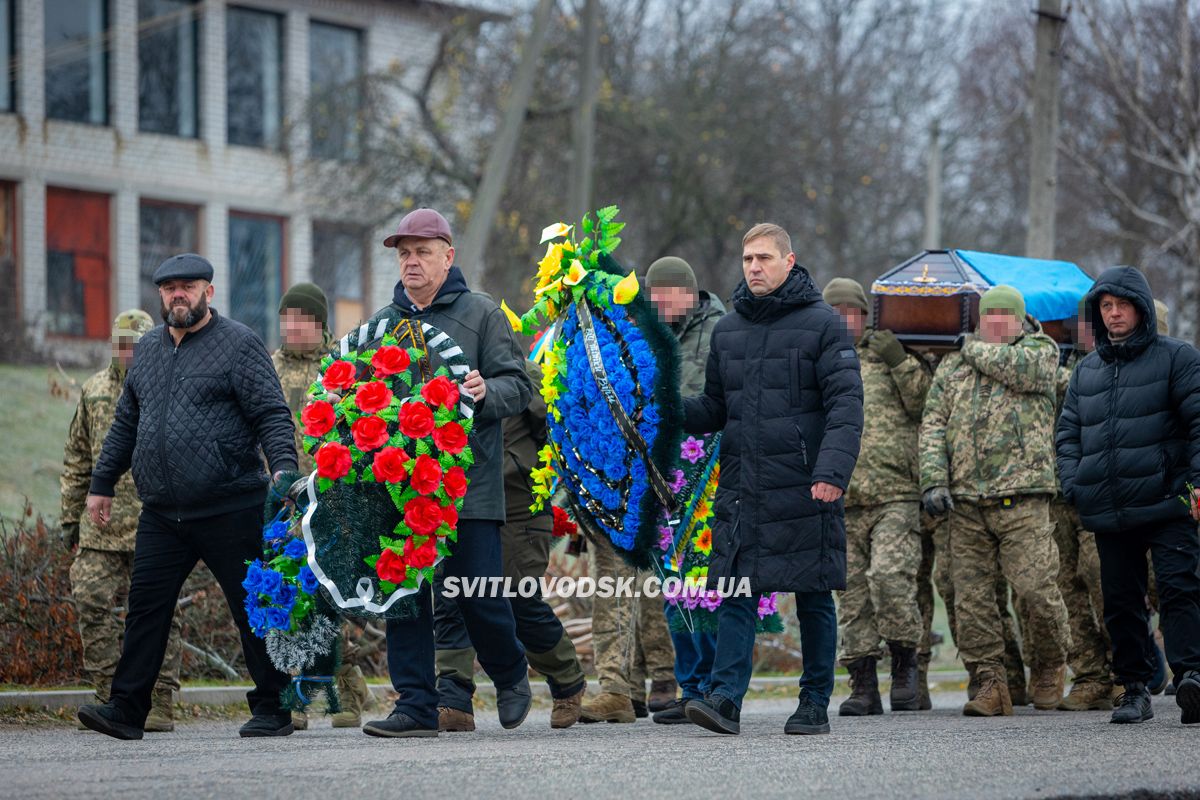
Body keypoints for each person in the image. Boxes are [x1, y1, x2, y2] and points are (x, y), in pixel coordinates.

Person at [77, 253, 298, 740]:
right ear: (159, 294)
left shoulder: (239, 345)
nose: (178, 295)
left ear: (208, 293)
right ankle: (127, 710)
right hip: (162, 511)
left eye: (188, 286)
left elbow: (271, 414)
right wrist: (101, 483)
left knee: (253, 608)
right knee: (146, 609)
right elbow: (126, 423)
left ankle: (274, 706)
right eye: (169, 287)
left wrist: (283, 468)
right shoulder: (148, 351)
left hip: (231, 504)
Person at [681, 223, 864, 735]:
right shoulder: (729, 330)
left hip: (807, 483)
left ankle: (813, 703)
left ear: (790, 261)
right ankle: (724, 700)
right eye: (747, 259)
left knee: (813, 594)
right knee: (737, 591)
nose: (754, 267)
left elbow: (846, 405)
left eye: (764, 258)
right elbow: (716, 408)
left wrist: (832, 471)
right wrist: (668, 411)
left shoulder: (824, 324)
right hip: (744, 487)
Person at [359, 208, 534, 738]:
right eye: (404, 253)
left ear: (448, 256)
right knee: (404, 596)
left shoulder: (482, 314)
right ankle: (415, 704)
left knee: (478, 596)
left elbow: (520, 386)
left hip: (469, 485)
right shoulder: (384, 324)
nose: (411, 262)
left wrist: (487, 393)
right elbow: (365, 397)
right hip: (400, 487)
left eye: (422, 252)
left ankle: (509, 671)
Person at [1055, 266, 1200, 725]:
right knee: (1120, 600)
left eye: (1121, 305)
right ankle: (1133, 688)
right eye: (1106, 306)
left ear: (1140, 307)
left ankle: (1192, 675)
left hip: (1169, 501)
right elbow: (1068, 435)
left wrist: (1197, 484)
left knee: (1180, 589)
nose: (1114, 314)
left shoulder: (1178, 358)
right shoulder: (1086, 371)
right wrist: (1074, 482)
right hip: (1109, 506)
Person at [921, 285, 1071, 717]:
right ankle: (990, 682)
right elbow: (932, 426)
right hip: (966, 502)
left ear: (1022, 319)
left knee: (1036, 591)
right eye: (990, 315)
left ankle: (1049, 663)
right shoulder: (952, 369)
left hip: (1023, 498)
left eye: (1007, 314)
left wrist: (970, 348)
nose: (998, 322)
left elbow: (1017, 368)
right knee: (972, 600)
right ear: (979, 319)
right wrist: (934, 480)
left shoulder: (1040, 352)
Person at [435, 359, 588, 732]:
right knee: (453, 597)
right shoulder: (436, 367)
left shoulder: (523, 373)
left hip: (518, 509)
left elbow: (557, 431)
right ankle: (454, 699)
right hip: (459, 506)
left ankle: (567, 679)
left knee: (516, 601)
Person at [61, 309, 182, 733]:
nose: (128, 352)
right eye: (122, 344)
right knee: (90, 600)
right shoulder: (94, 390)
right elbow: (78, 456)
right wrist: (68, 518)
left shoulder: (167, 382)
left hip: (157, 521)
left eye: (136, 344)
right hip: (102, 526)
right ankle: (105, 696)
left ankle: (160, 700)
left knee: (159, 613)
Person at [271, 282, 376, 729]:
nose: (294, 327)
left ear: (320, 323)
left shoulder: (342, 368)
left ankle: (349, 691)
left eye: (303, 319)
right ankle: (298, 698)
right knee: (292, 597)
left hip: (334, 498)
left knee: (336, 599)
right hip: (283, 501)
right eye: (287, 318)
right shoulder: (267, 367)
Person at [823, 278, 930, 715]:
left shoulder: (890, 353)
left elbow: (926, 404)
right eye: (835, 312)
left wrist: (900, 362)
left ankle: (906, 669)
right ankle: (862, 684)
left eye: (852, 311)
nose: (844, 319)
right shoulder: (819, 360)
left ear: (866, 316)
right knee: (850, 595)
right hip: (841, 496)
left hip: (896, 494)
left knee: (890, 578)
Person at [642, 256, 725, 726]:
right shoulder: (653, 338)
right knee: (673, 586)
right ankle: (689, 685)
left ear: (687, 292)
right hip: (664, 474)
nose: (656, 304)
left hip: (710, 473)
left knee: (705, 583)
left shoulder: (721, 330)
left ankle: (716, 684)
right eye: (651, 296)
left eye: (663, 295)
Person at [1049, 304, 1114, 711]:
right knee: (1065, 585)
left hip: (1102, 489)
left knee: (1102, 578)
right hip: (1058, 490)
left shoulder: (1113, 365)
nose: (1085, 333)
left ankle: (1129, 669)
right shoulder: (1056, 361)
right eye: (1080, 326)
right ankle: (1090, 675)